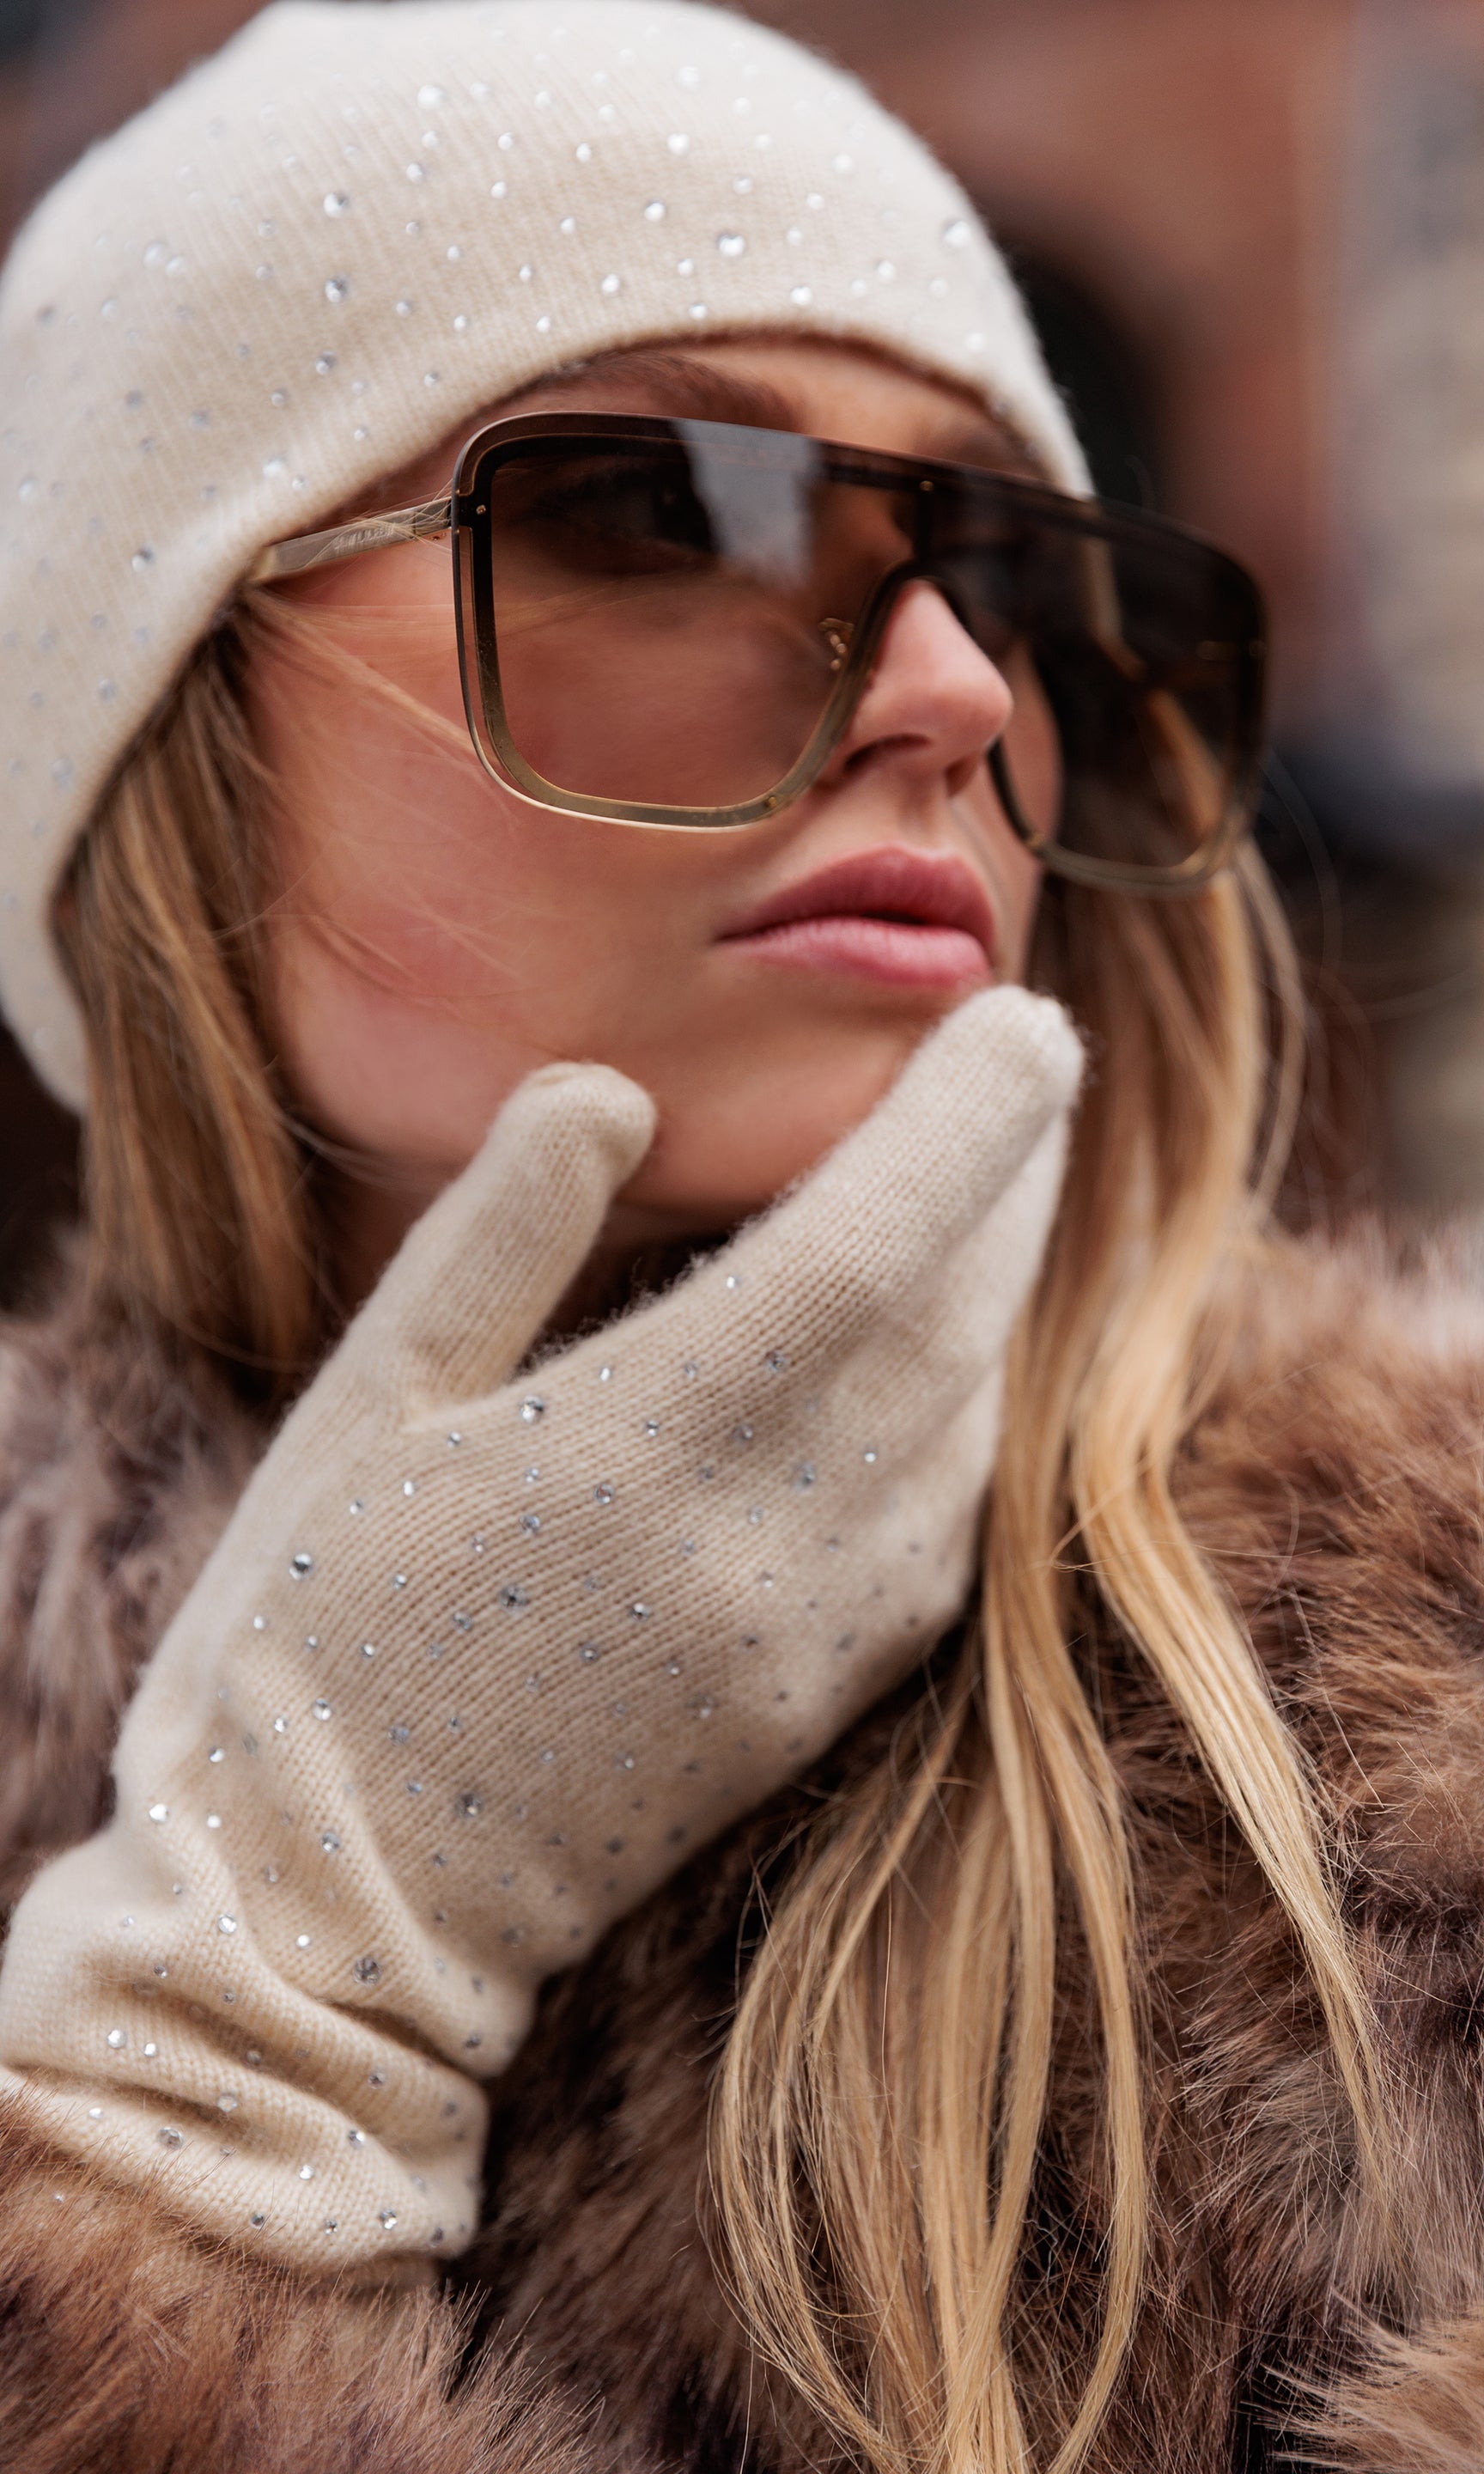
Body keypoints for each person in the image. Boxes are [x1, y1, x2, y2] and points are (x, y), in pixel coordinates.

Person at [0, 3, 1481, 2470]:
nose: (940, 679)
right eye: (669, 510)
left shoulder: (1413, 1738)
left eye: (1011, 565)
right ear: (168, 715)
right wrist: (235, 2009)